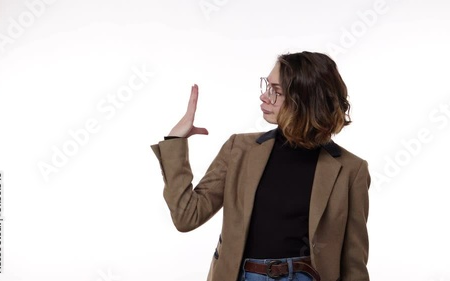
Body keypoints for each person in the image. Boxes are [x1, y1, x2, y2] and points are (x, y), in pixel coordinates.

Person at [150, 51, 370, 281]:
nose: (264, 97)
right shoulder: (239, 149)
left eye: (276, 91)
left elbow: (354, 262)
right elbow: (187, 217)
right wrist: (175, 142)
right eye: (267, 86)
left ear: (304, 100)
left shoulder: (351, 170)